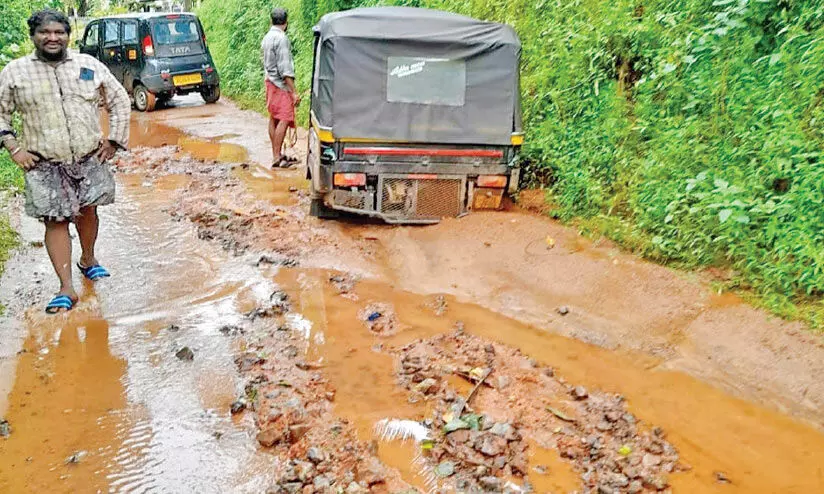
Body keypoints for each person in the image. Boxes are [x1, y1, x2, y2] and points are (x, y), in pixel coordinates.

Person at [0, 9, 131, 314]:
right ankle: (66, 288)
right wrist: (14, 148)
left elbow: (119, 100)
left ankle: (88, 258)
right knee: (55, 220)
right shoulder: (15, 72)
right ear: (33, 36)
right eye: (45, 32)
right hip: (43, 162)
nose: (52, 38)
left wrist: (114, 140)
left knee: (89, 210)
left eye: (59, 32)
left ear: (68, 36)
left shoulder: (88, 65)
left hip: (88, 156)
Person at [261, 7, 300, 169]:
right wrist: (294, 92)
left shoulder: (267, 37)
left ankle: (276, 154)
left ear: (271, 21)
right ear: (286, 22)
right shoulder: (282, 39)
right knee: (284, 117)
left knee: (274, 117)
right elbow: (285, 69)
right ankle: (277, 157)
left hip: (269, 81)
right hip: (280, 84)